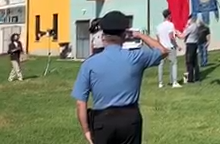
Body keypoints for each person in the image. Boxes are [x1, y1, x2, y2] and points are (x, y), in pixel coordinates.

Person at [72, 10, 168, 144]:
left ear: (103, 36)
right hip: (130, 119)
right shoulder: (135, 57)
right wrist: (139, 35)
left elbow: (80, 102)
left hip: (102, 121)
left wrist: (86, 130)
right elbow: (163, 51)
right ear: (124, 35)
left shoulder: (89, 64)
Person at [155, 9, 180, 88]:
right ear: (169, 15)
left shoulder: (158, 26)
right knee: (173, 63)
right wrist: (177, 45)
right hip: (170, 47)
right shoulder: (170, 25)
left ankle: (160, 83)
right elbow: (171, 36)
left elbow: (158, 39)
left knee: (161, 65)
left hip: (162, 47)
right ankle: (174, 82)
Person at [178, 16, 201, 83]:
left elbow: (182, 36)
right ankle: (197, 77)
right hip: (195, 44)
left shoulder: (190, 27)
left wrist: (176, 33)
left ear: (191, 20)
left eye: (188, 19)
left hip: (190, 45)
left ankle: (190, 78)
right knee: (195, 62)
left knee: (189, 62)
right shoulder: (197, 26)